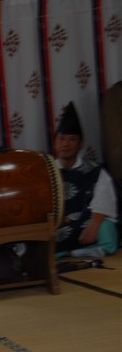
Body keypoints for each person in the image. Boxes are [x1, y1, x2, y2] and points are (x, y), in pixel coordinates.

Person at [53, 102, 118, 258]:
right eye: (61, 139)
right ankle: (69, 253)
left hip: (86, 222)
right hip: (59, 225)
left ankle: (93, 250)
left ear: (80, 144)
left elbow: (104, 200)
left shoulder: (94, 170)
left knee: (107, 226)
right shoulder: (48, 171)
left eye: (72, 139)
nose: (66, 144)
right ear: (55, 143)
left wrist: (95, 224)